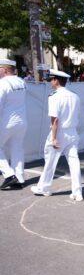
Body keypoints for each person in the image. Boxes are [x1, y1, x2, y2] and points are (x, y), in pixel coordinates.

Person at [30, 70, 83, 201]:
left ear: (56, 80)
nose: (50, 82)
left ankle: (44, 188)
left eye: (51, 79)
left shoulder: (54, 96)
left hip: (60, 132)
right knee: (74, 162)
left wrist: (53, 138)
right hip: (72, 132)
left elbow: (55, 120)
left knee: (50, 161)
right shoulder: (75, 96)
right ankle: (78, 192)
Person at [0, 59, 27, 190]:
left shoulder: (3, 83)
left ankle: (9, 174)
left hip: (6, 121)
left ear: (4, 70)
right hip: (21, 121)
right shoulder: (21, 81)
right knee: (17, 149)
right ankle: (19, 178)